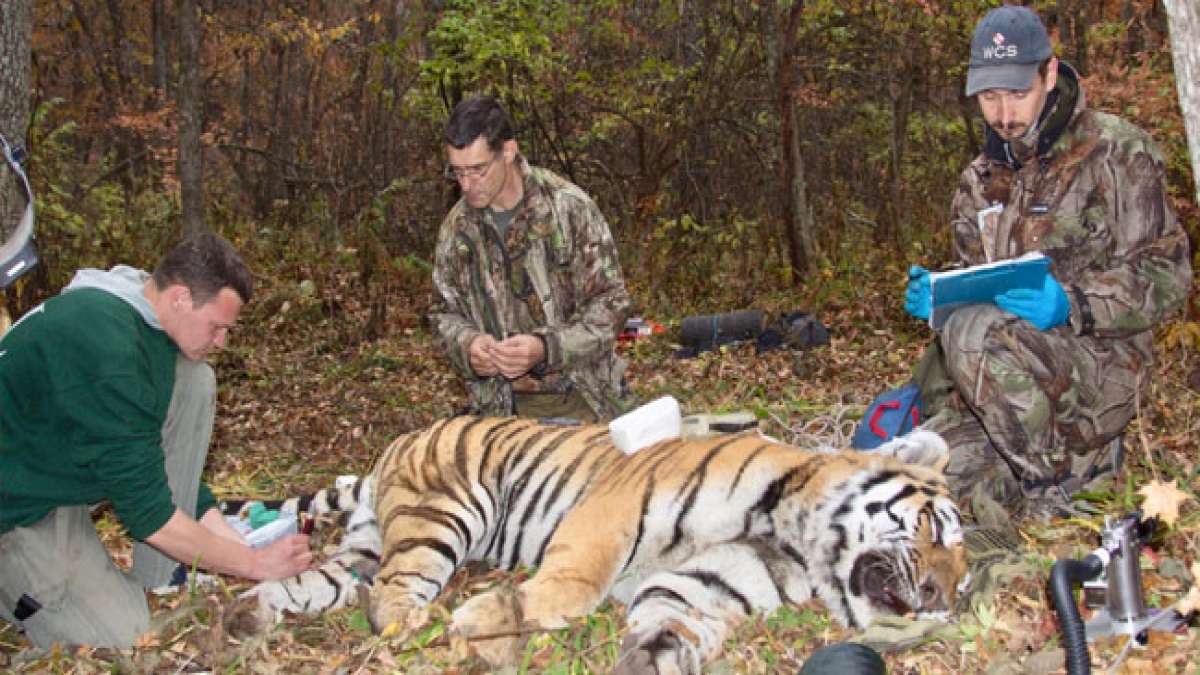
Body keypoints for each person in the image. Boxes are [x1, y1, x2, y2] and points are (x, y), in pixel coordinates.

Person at [903, 5, 1192, 518]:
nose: (1004, 114)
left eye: (1018, 94)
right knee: (907, 480)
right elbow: (977, 280)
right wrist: (939, 294)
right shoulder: (979, 178)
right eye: (989, 98)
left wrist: (1075, 303)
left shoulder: (1116, 153)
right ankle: (1066, 469)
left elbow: (1167, 274)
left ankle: (1055, 490)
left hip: (1100, 367)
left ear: (1050, 74)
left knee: (975, 333)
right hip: (1008, 390)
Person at [0, 232, 313, 649]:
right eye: (217, 327)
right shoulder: (108, 350)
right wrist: (253, 563)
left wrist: (225, 537)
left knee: (193, 378)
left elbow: (148, 459)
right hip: (17, 512)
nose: (222, 341)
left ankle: (159, 576)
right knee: (124, 638)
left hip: (57, 470)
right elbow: (148, 514)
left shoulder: (143, 318)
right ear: (181, 297)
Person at [429, 96, 634, 422]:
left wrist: (546, 348)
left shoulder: (568, 208)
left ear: (508, 152)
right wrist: (468, 346)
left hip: (583, 398)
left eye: (478, 170)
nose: (467, 185)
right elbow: (442, 314)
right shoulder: (457, 230)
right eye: (457, 172)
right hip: (496, 412)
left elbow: (613, 304)